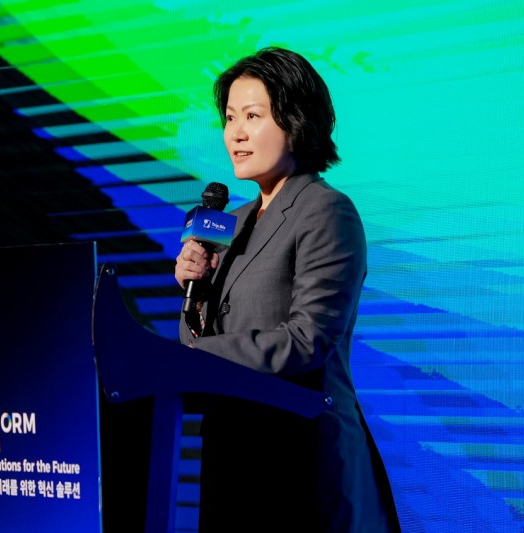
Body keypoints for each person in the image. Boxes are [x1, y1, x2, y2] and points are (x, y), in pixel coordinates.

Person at [175, 47, 401, 532]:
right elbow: (199, 338)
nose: (235, 133)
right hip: (234, 452)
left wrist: (193, 356)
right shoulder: (231, 222)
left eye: (252, 116)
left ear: (296, 121)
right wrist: (196, 290)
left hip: (299, 457)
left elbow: (307, 339)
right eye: (230, 118)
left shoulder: (326, 210)